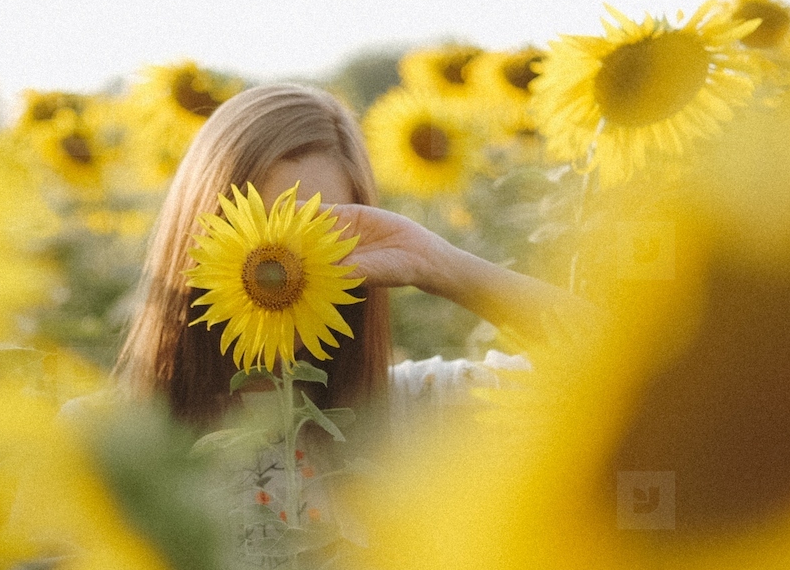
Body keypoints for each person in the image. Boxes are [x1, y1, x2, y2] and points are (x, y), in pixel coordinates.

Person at [113, 83, 587, 429]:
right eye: (250, 231)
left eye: (323, 233)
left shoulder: (404, 416)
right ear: (197, 238)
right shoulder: (108, 443)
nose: (280, 268)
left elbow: (620, 380)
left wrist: (438, 263)